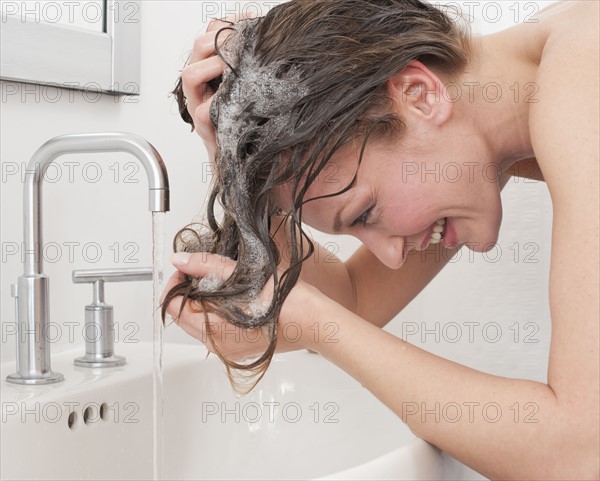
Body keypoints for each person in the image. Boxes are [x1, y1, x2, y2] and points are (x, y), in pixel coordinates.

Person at [162, 1, 599, 478]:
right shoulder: (515, 114)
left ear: (419, 94)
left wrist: (302, 317)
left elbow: (581, 450)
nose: (390, 255)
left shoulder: (584, 73)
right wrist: (237, 167)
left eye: (366, 213)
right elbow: (353, 301)